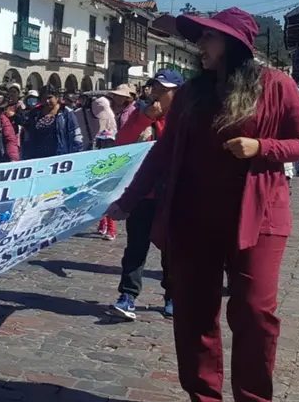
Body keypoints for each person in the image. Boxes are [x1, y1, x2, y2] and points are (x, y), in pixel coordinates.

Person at [105, 7, 299, 402]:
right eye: (201, 38)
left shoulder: (276, 85)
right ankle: (205, 399)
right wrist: (127, 199)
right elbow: (161, 154)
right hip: (193, 217)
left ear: (234, 44)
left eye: (209, 39)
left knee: (255, 313)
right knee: (195, 310)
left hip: (259, 218)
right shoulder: (193, 94)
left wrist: (262, 146)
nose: (200, 46)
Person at [108, 69, 183, 321]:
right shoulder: (142, 114)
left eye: (164, 91)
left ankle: (172, 296)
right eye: (156, 90)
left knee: (172, 250)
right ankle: (127, 295)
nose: (158, 96)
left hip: (173, 195)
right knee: (135, 248)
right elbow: (122, 142)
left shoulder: (185, 118)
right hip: (142, 193)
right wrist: (144, 119)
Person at [17, 85, 83, 159]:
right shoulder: (35, 113)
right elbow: (28, 134)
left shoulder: (66, 112)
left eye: (50, 97)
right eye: (44, 98)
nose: (47, 101)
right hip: (37, 158)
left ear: (57, 97)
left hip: (59, 157)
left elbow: (76, 135)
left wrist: (76, 155)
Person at [90, 96, 119, 240]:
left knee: (108, 201)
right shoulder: (97, 153)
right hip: (99, 173)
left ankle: (111, 229)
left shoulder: (114, 155)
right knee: (99, 201)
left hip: (109, 174)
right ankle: (102, 225)